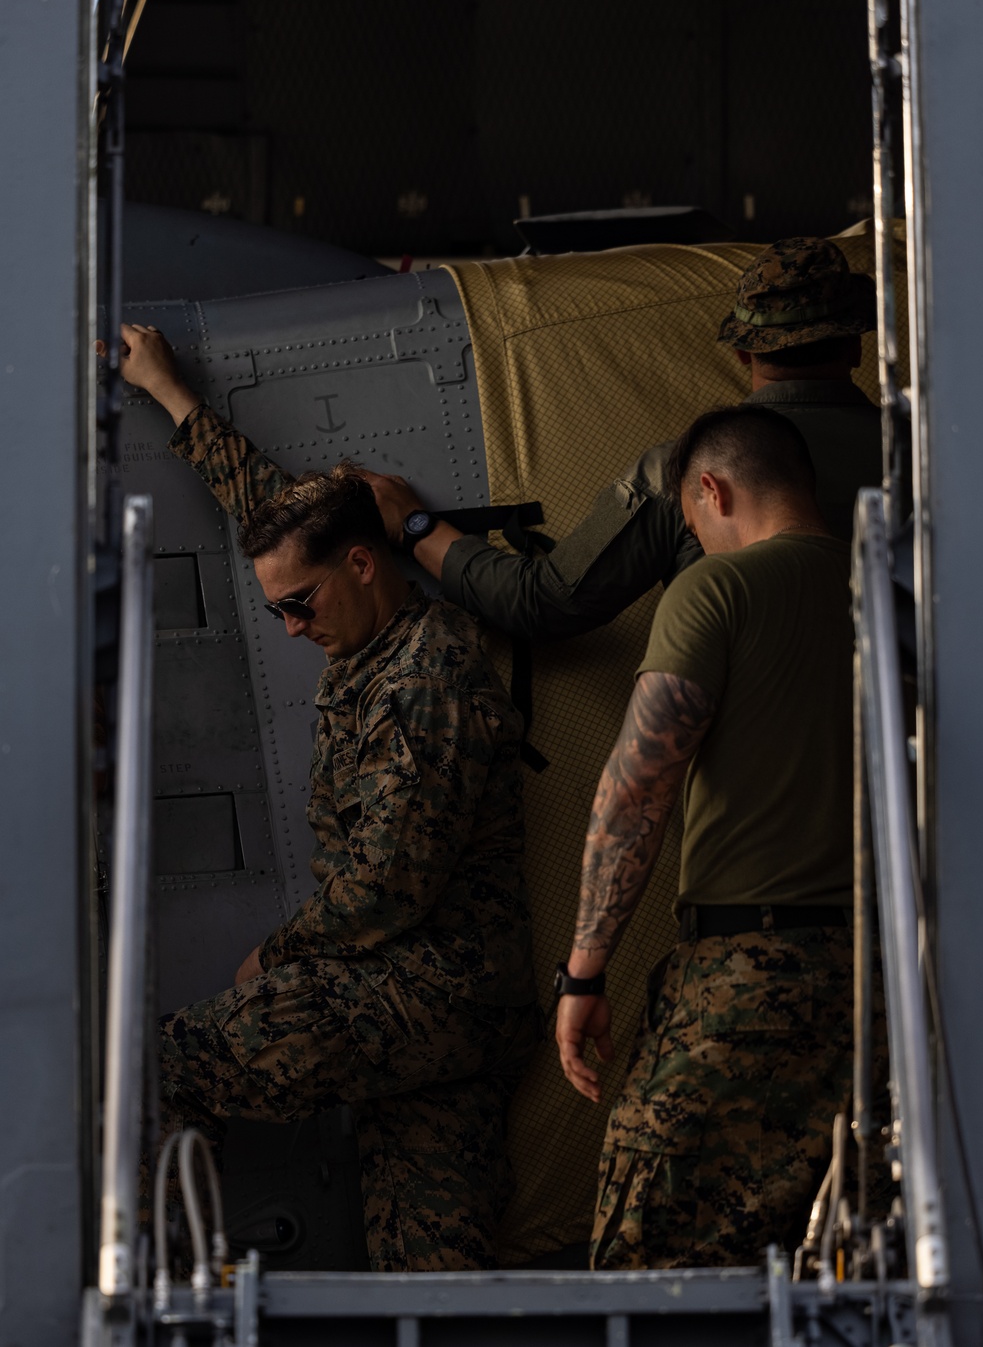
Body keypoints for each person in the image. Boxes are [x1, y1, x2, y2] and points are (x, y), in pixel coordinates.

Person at [105, 325, 541, 1272]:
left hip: (422, 989)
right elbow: (281, 518)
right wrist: (174, 397)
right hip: (441, 1012)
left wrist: (280, 950)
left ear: (363, 565)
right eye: (276, 613)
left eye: (299, 604)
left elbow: (392, 879)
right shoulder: (355, 615)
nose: (291, 627)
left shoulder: (430, 672)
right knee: (429, 1267)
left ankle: (159, 1295)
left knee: (165, 1066)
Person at [553, 404, 878, 1269]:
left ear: (711, 489)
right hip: (886, 992)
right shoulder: (896, 591)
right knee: (845, 1268)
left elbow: (637, 788)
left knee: (649, 1273)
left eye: (697, 525)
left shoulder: (718, 587)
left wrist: (583, 970)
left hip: (746, 985)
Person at [363, 237, 882, 640]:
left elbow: (544, 602)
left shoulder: (685, 472)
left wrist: (417, 527)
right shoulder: (928, 465)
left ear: (744, 354)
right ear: (857, 346)